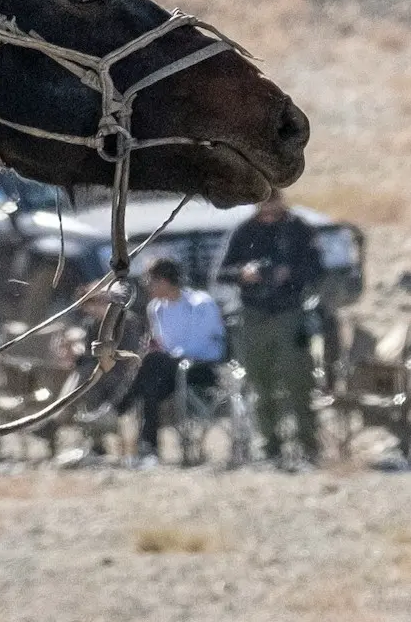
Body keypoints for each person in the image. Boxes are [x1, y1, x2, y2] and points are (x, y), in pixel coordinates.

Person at [219, 194, 322, 464]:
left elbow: (316, 268)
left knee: (298, 382)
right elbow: (222, 272)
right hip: (253, 315)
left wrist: (289, 273)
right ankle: (270, 445)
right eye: (265, 201)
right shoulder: (244, 232)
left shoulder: (298, 229)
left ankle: (308, 445)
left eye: (274, 200)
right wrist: (244, 273)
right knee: (259, 384)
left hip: (289, 312)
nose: (269, 207)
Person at [116, 258, 227, 464]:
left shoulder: (200, 303)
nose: (147, 287)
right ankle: (149, 448)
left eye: (151, 281)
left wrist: (176, 354)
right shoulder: (156, 309)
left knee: (152, 363)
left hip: (201, 365)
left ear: (164, 281)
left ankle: (122, 402)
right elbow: (164, 342)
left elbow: (206, 339)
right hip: (170, 368)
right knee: (150, 388)